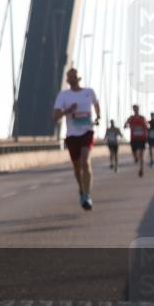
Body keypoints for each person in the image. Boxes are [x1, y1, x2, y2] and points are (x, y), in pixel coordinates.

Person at [53, 68, 101, 210]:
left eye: (74, 76)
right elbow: (55, 116)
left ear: (79, 78)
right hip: (72, 135)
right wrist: (68, 111)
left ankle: (87, 195)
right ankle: (81, 189)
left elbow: (96, 105)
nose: (72, 79)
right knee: (76, 167)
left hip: (87, 131)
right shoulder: (63, 96)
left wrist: (98, 116)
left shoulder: (89, 92)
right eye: (70, 77)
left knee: (85, 162)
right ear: (67, 80)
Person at [124, 105, 148, 177]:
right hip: (134, 139)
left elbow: (147, 126)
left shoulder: (142, 118)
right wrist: (128, 126)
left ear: (138, 109)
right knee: (135, 156)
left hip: (142, 138)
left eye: (136, 108)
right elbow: (125, 125)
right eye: (134, 109)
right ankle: (136, 158)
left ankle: (141, 169)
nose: (135, 110)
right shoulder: (131, 118)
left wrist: (145, 127)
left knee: (142, 155)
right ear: (133, 110)